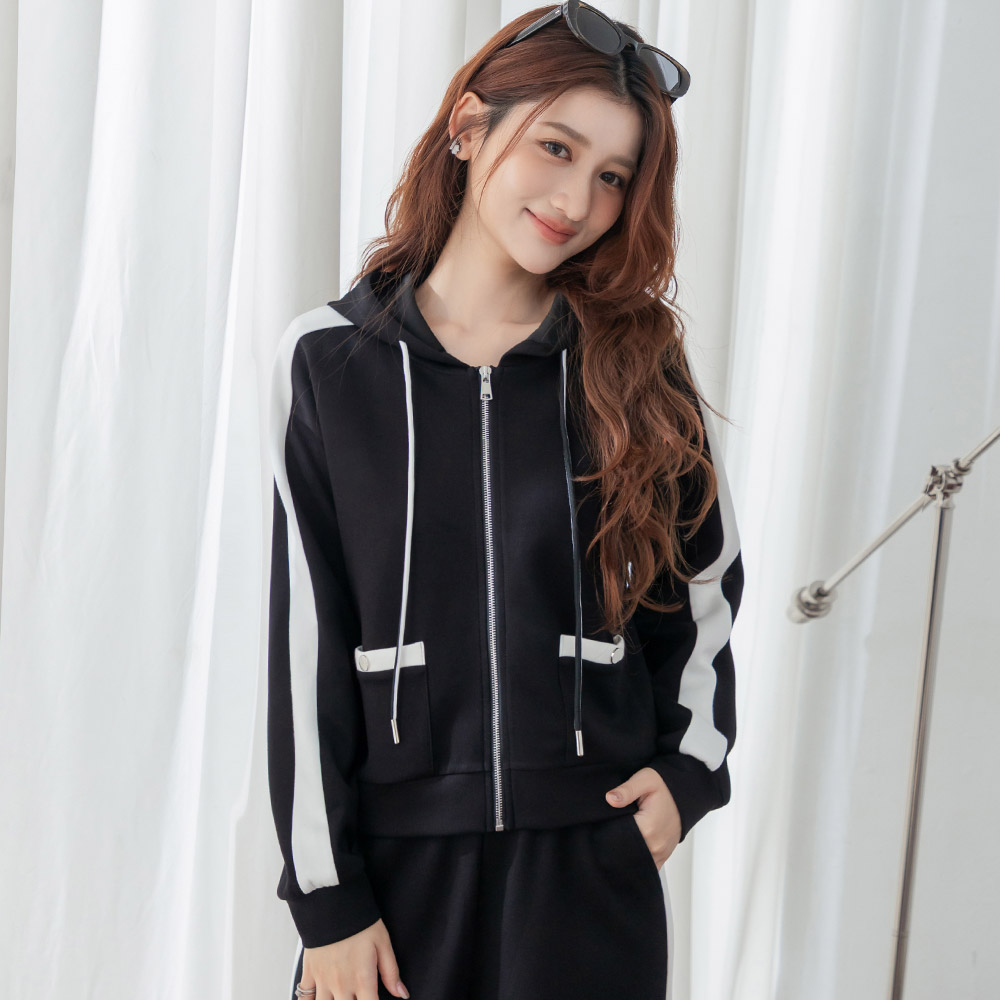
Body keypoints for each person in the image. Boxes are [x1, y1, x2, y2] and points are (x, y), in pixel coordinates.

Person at [267, 3, 744, 998]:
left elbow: (701, 586)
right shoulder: (329, 362)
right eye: (556, 147)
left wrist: (690, 771)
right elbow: (304, 638)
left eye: (612, 177)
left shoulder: (636, 360)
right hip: (393, 882)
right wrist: (327, 897)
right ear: (469, 128)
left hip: (587, 866)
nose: (576, 199)